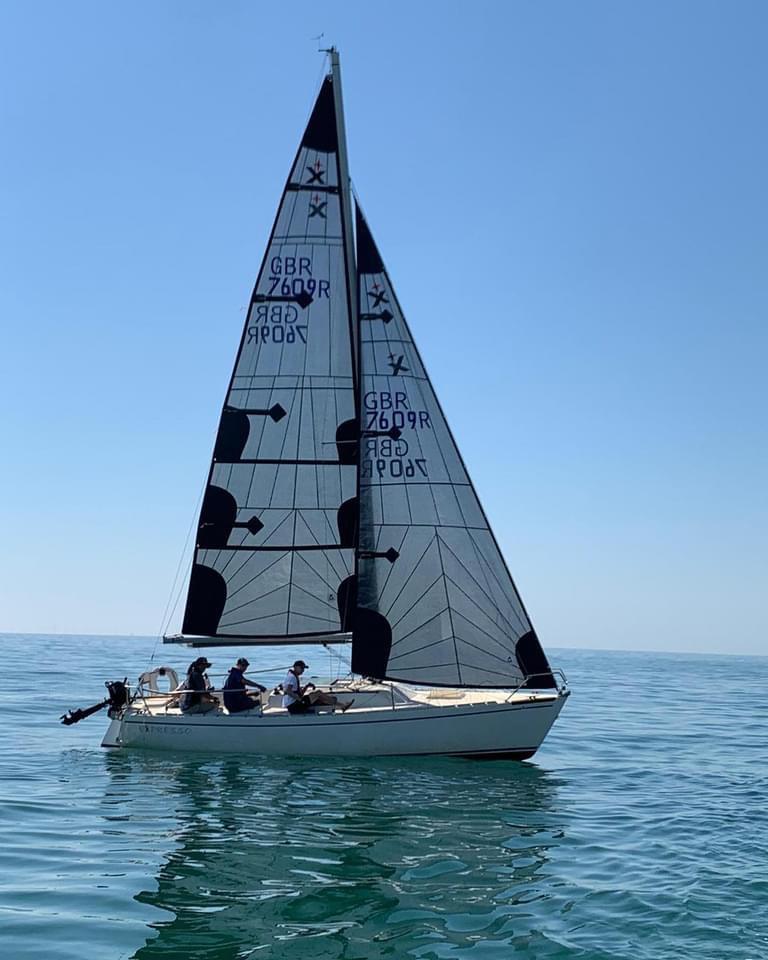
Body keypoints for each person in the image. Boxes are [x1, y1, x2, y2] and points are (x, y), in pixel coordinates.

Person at [282, 660, 354, 715]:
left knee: (318, 695)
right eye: (301, 668)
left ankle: (340, 706)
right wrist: (300, 700)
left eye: (303, 669)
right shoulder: (291, 677)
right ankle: (342, 706)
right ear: (295, 667)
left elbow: (299, 693)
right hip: (293, 706)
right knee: (318, 694)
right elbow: (288, 691)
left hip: (295, 703)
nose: (303, 670)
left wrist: (306, 687)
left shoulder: (293, 676)